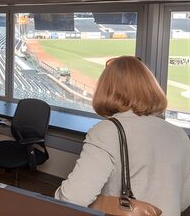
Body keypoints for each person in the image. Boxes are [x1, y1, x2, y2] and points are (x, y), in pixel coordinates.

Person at [55, 56, 190, 216]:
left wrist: (101, 203)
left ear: (106, 90)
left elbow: (72, 198)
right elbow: (183, 200)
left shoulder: (106, 131)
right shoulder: (179, 134)